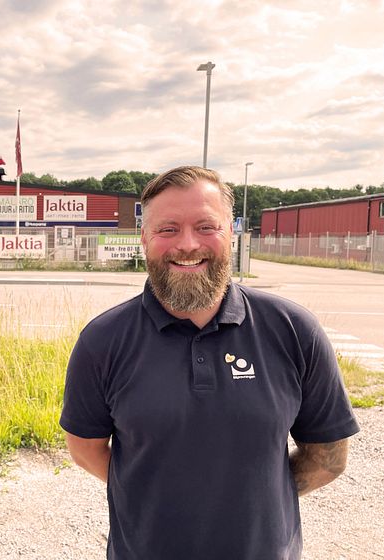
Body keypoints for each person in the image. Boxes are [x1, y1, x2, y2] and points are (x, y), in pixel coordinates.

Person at [60, 166, 359, 560]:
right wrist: (155, 492)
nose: (187, 244)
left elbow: (328, 458)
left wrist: (255, 495)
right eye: (168, 229)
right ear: (145, 238)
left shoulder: (292, 330)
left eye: (206, 227)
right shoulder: (102, 340)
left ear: (230, 234)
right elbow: (86, 450)